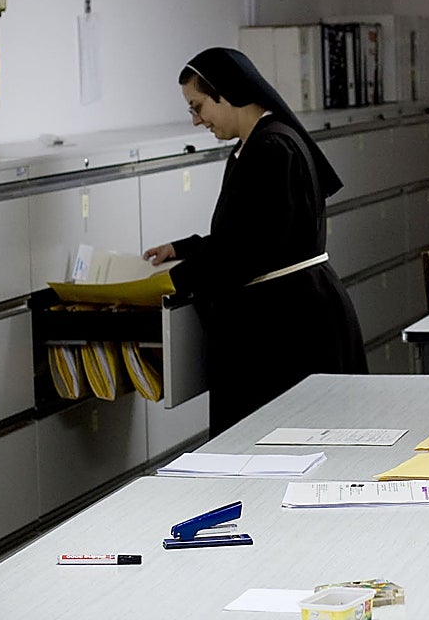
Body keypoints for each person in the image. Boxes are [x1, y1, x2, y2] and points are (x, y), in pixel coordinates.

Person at [144, 47, 367, 436]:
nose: (197, 120)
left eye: (198, 106)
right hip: (281, 314)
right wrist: (184, 249)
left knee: (287, 444)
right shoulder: (253, 145)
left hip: (290, 327)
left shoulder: (272, 148)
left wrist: (168, 283)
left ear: (224, 92)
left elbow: (247, 251)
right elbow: (247, 231)